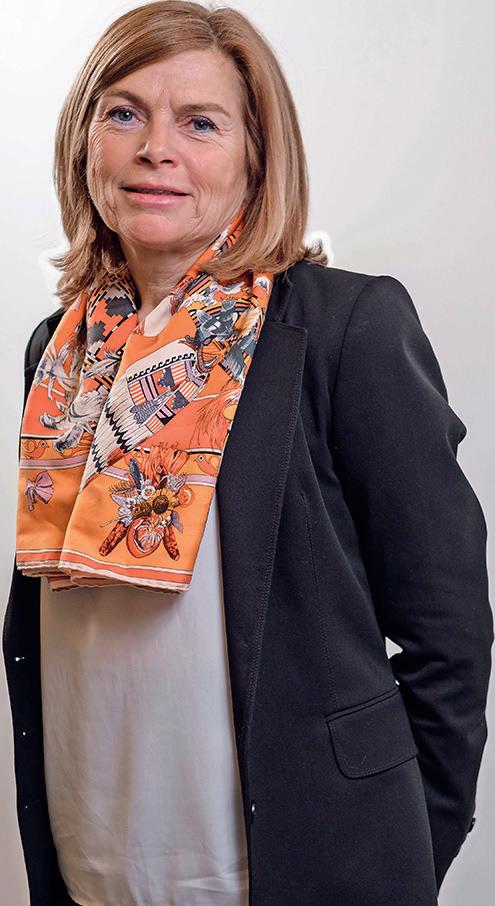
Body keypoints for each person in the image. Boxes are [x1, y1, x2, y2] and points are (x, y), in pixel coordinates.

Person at [3, 2, 492, 905]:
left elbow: (448, 633)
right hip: (91, 857)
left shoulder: (346, 328)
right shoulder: (59, 351)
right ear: (84, 144)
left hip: (288, 869)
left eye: (200, 123)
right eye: (124, 113)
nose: (156, 148)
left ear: (256, 158)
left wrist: (400, 851)